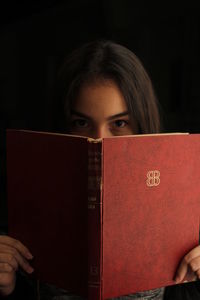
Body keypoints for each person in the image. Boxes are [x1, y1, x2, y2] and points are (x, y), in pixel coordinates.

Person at [0, 40, 200, 299]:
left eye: (119, 122)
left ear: (142, 124)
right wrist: (7, 290)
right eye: (81, 122)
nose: (99, 140)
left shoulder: (185, 210)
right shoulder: (24, 208)